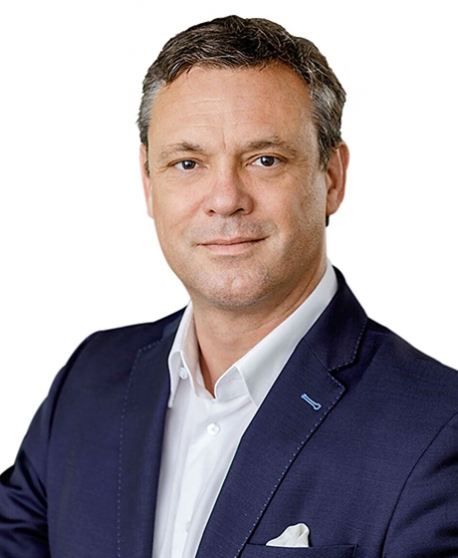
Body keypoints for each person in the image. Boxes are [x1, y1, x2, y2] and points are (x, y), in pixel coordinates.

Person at [1, 14, 457, 558]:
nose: (224, 199)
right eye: (187, 163)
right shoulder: (89, 382)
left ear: (332, 176)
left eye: (265, 160)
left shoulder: (437, 431)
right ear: (148, 182)